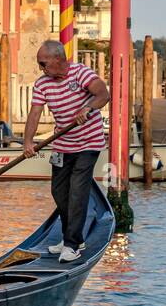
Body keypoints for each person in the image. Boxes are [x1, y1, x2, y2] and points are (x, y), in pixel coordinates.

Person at [22, 39, 110, 263]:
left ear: (58, 59)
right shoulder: (42, 84)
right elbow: (35, 113)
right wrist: (28, 142)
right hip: (63, 143)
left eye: (44, 63)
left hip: (89, 142)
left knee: (77, 191)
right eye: (40, 64)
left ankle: (72, 245)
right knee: (59, 192)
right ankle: (71, 236)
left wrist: (87, 108)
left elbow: (103, 94)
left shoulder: (81, 73)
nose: (41, 68)